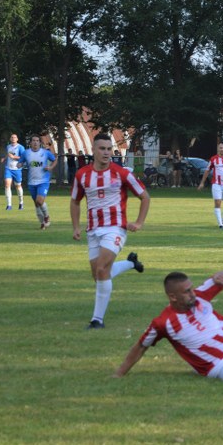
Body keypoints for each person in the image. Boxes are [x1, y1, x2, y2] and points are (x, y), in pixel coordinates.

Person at [71, 133, 149, 329]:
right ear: (93, 150)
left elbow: (145, 196)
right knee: (98, 275)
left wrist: (139, 222)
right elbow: (75, 201)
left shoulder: (121, 173)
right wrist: (75, 227)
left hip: (115, 228)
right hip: (93, 229)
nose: (107, 153)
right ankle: (131, 264)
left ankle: (97, 320)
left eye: (109, 149)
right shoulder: (82, 175)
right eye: (102, 149)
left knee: (101, 269)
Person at [20, 135, 57, 229]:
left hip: (43, 181)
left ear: (40, 143)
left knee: (39, 201)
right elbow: (20, 162)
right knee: (36, 204)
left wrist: (51, 167)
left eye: (37, 140)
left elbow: (55, 160)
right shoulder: (26, 153)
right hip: (31, 182)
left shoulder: (45, 152)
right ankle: (42, 223)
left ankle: (47, 217)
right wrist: (19, 164)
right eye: (33, 140)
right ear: (30, 143)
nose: (35, 142)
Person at [198, 142, 223, 229]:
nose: (222, 149)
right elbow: (207, 170)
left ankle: (222, 220)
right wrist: (202, 182)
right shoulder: (213, 159)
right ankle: (220, 224)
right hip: (216, 184)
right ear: (218, 149)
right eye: (220, 148)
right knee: (217, 202)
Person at [1, 133, 25, 210]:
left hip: (17, 169)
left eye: (14, 137)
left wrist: (14, 157)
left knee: (18, 186)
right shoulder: (8, 146)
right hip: (8, 169)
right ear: (10, 139)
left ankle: (21, 203)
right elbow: (8, 155)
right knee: (7, 185)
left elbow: (23, 158)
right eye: (12, 137)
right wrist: (4, 158)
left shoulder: (20, 147)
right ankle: (9, 205)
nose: (13, 138)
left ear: (17, 139)